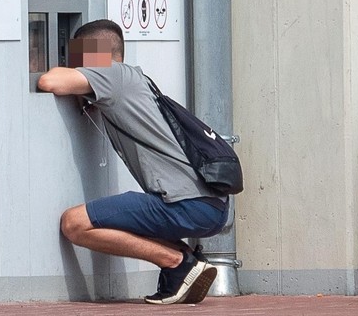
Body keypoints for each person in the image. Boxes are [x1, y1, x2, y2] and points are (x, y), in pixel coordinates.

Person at [37, 19, 229, 305]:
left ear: (91, 56)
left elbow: (48, 80)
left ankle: (177, 262)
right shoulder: (134, 81)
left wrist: (74, 78)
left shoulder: (112, 75)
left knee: (74, 224)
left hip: (187, 203)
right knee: (114, 216)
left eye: (76, 57)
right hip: (211, 206)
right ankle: (185, 262)